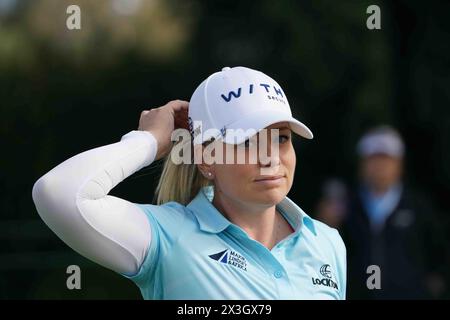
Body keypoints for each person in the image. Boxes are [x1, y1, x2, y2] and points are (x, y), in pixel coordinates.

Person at [32, 66, 347, 300]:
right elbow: (57, 192)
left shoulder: (326, 242)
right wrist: (148, 141)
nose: (271, 158)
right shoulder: (168, 236)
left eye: (281, 138)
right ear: (207, 159)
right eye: (247, 142)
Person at [342, 126, 447, 299]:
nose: (380, 166)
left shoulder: (419, 206)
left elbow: (438, 250)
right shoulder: (346, 206)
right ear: (362, 164)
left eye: (386, 159)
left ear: (399, 164)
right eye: (373, 159)